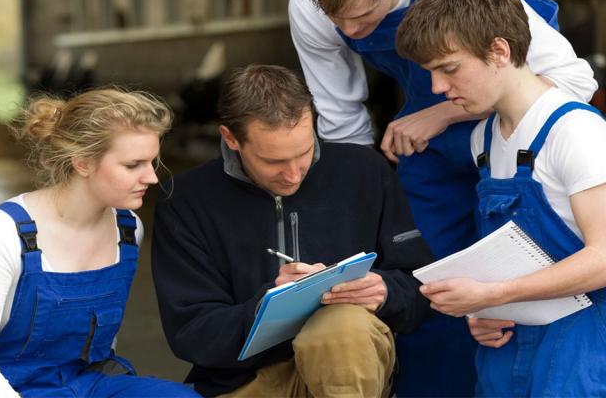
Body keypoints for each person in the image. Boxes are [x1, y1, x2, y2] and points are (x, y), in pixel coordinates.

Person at [289, 0, 598, 394]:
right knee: (427, 276)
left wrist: (440, 114)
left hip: (510, 131)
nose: (349, 30)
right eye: (337, 19)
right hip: (425, 150)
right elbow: (342, 123)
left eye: (364, 17)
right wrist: (356, 209)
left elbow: (575, 81)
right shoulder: (308, 8)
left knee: (520, 271)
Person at [396, 0, 606, 397]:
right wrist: (488, 309)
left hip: (587, 346)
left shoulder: (575, 131)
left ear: (499, 51)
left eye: (448, 69)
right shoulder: (482, 140)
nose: (437, 89)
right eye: (431, 73)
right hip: (513, 346)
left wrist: (494, 293)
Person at [151, 64, 434, 397]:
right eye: (273, 161)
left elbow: (422, 286)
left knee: (339, 327)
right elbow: (191, 333)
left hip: (350, 367)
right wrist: (267, 305)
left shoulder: (365, 170)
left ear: (312, 119)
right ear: (230, 138)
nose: (293, 174)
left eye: (304, 152)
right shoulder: (184, 201)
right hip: (244, 382)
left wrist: (384, 291)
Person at [0, 89, 199, 398]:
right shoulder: (3, 231)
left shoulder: (128, 230)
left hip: (78, 381)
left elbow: (101, 343)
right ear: (83, 163)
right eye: (133, 165)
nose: (152, 178)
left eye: (152, 162)